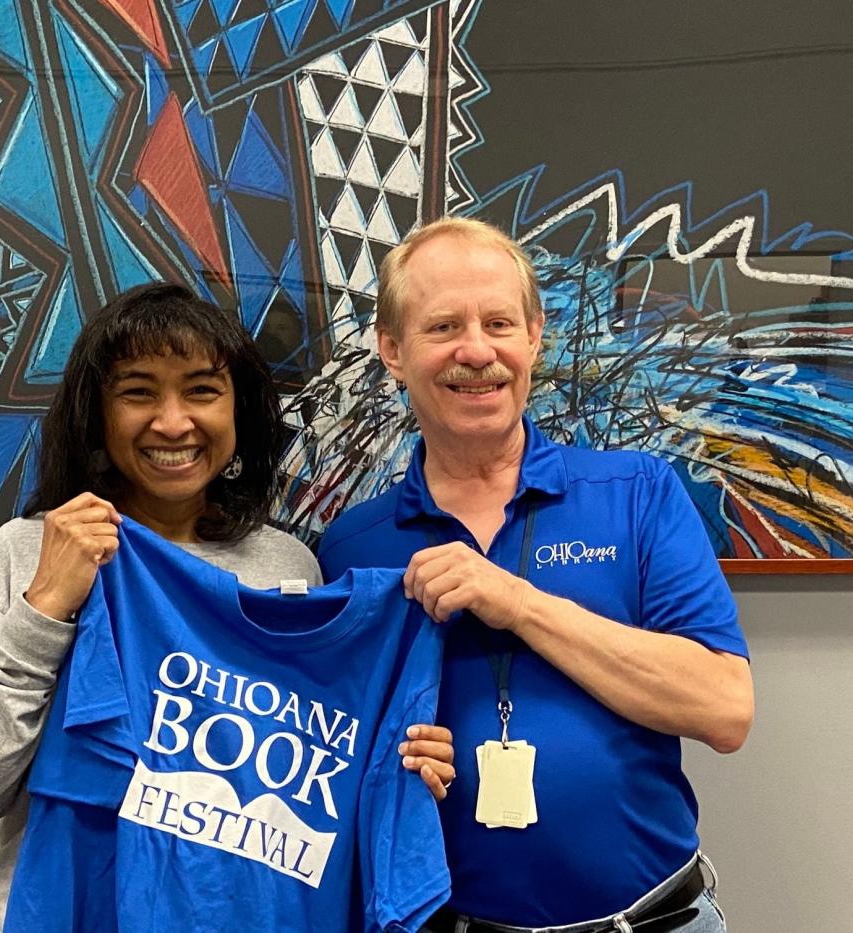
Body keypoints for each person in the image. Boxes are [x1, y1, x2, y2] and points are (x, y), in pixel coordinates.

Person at [0, 282, 452, 933]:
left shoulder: (290, 568)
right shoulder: (30, 553)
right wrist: (42, 611)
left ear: (238, 409)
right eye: (138, 391)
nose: (173, 420)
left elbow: (311, 778)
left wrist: (396, 758)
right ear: (96, 413)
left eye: (201, 390)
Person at [317, 218, 755, 933]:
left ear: (534, 336)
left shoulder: (636, 492)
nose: (477, 351)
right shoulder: (350, 547)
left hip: (657, 921)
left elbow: (724, 708)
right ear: (392, 350)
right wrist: (393, 765)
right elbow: (332, 760)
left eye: (498, 322)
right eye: (443, 326)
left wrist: (516, 602)